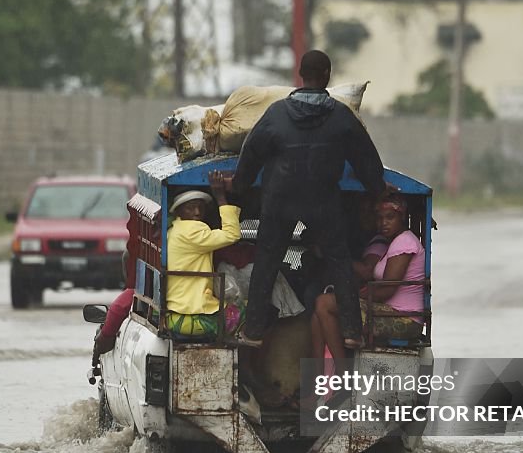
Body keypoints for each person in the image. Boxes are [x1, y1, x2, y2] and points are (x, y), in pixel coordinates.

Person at [231, 49, 386, 349]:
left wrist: (238, 186)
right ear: (327, 75)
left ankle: (254, 331)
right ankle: (352, 332)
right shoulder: (341, 116)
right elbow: (366, 158)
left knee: (267, 259)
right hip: (323, 202)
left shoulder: (276, 114)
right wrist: (378, 188)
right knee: (339, 260)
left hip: (279, 201)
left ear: (300, 76)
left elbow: (250, 154)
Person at [311, 193, 425, 370]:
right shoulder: (394, 242)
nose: (383, 223)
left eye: (390, 217)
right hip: (387, 311)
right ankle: (317, 377)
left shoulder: (405, 242)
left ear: (402, 217)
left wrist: (359, 295)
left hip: (402, 317)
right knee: (318, 314)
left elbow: (387, 290)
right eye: (379, 218)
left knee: (324, 302)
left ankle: (343, 372)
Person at [165, 171, 241, 339]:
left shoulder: (174, 230)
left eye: (201, 207)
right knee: (248, 311)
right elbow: (232, 235)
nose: (197, 212)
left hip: (175, 308)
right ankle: (246, 361)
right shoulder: (192, 229)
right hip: (193, 311)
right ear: (179, 211)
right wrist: (220, 197)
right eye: (190, 207)